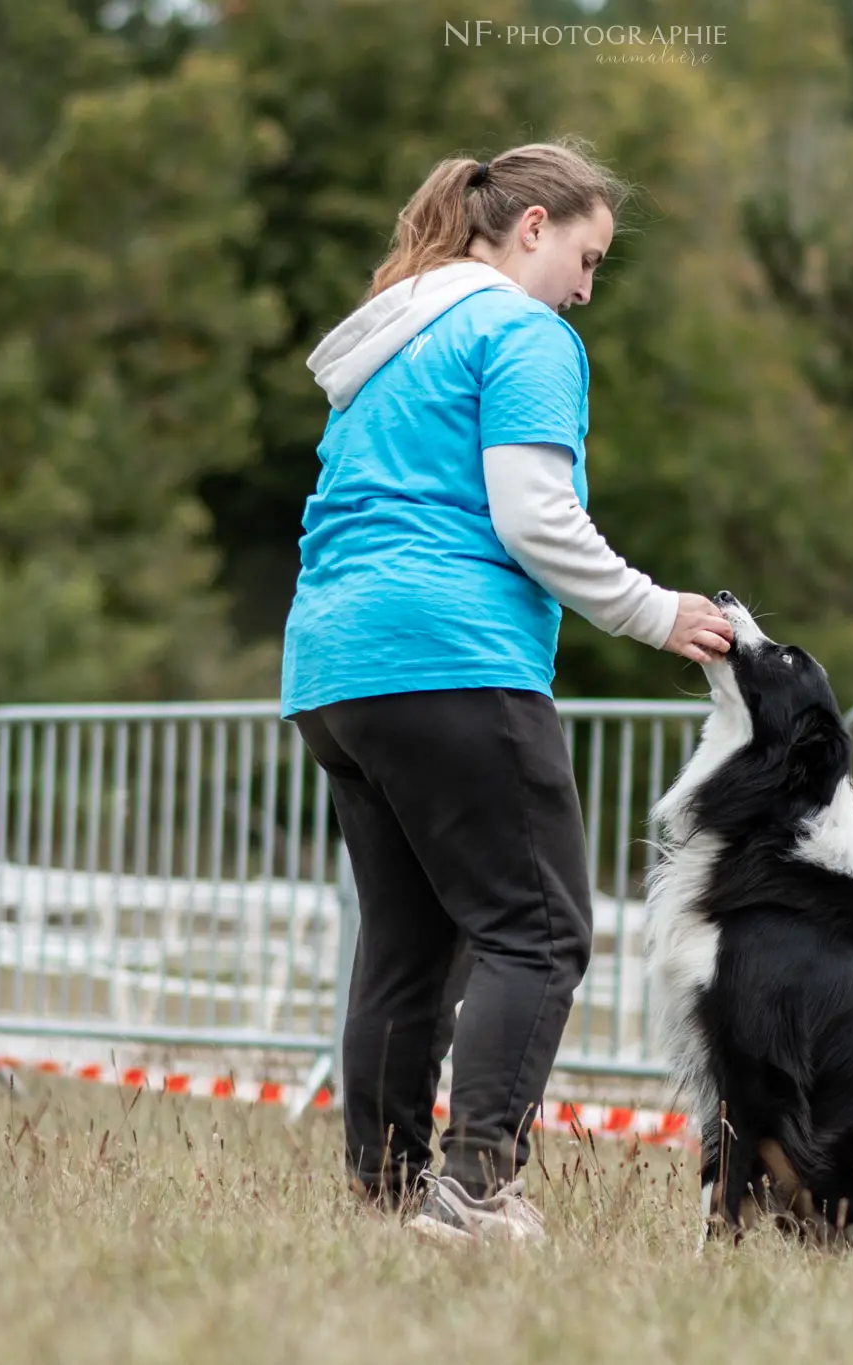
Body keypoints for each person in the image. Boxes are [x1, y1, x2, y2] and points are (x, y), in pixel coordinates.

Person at [280, 140, 735, 1246]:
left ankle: (387, 1192)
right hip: (453, 653)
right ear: (532, 229)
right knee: (538, 930)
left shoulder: (391, 341)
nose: (587, 288)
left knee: (405, 944)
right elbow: (532, 516)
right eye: (586, 256)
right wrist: (652, 610)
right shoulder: (523, 332)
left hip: (333, 669)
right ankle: (476, 1188)